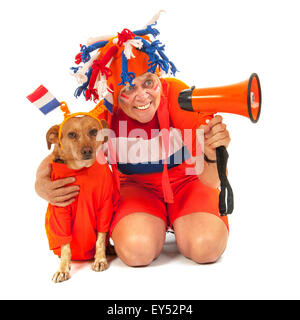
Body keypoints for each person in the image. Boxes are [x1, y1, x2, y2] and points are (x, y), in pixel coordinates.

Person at [35, 19, 231, 267]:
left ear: (158, 77)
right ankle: (158, 224)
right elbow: (67, 146)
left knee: (207, 247)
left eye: (148, 82)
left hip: (188, 183)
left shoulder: (177, 97)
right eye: (128, 87)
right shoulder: (107, 111)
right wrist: (41, 182)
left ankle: (181, 222)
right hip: (136, 189)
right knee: (136, 251)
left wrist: (212, 151)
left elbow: (211, 180)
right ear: (114, 92)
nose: (142, 95)